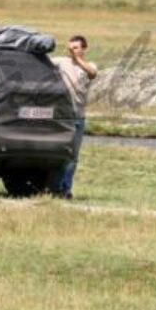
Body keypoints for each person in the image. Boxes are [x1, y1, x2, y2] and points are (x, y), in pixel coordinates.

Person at [52, 35, 98, 199]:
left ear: (84, 49)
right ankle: (54, 188)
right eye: (70, 48)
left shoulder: (89, 65)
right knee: (59, 154)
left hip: (78, 117)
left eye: (76, 47)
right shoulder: (61, 62)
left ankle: (66, 189)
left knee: (72, 157)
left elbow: (92, 73)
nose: (72, 50)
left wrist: (78, 60)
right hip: (62, 117)